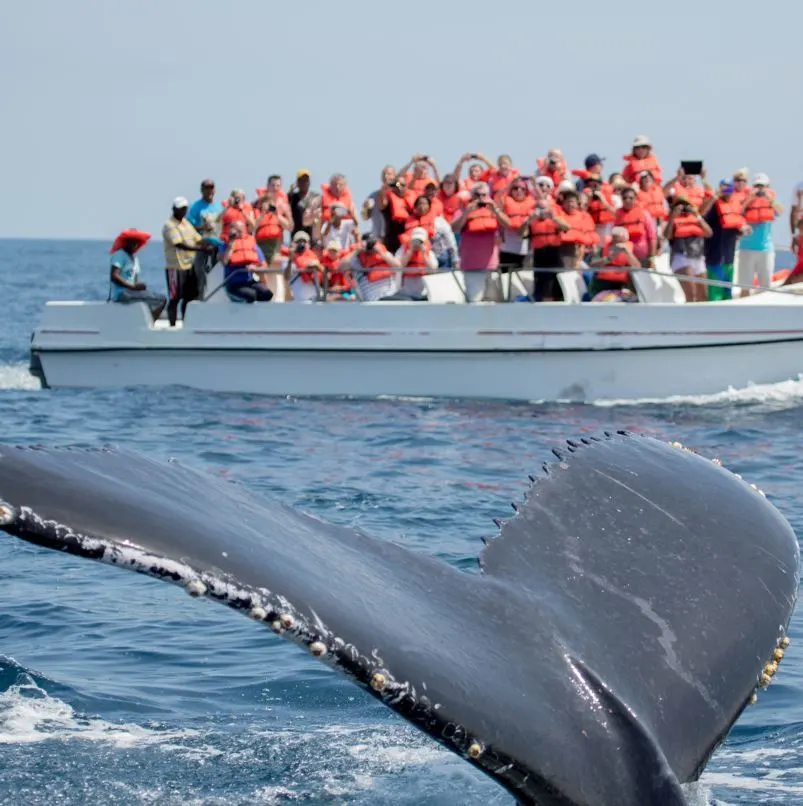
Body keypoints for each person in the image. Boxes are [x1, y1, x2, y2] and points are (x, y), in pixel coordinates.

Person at [452, 182, 510, 301]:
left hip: (491, 266)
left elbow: (508, 225)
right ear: (472, 196)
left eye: (484, 195)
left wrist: (496, 210)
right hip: (471, 267)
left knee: (494, 302)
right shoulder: (462, 211)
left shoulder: (494, 211)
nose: (481, 198)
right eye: (477, 195)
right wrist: (467, 212)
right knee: (475, 301)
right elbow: (454, 228)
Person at [162, 197, 212, 326]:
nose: (184, 211)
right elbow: (179, 244)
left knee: (189, 297)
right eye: (181, 208)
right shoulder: (169, 225)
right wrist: (201, 248)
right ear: (174, 209)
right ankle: (172, 325)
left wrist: (212, 244)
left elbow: (197, 238)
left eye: (185, 208)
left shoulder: (186, 223)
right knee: (174, 298)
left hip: (189, 266)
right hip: (175, 267)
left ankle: (186, 323)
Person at [737, 173, 784, 294]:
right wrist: (750, 199)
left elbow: (780, 211)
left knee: (766, 286)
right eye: (757, 186)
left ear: (768, 187)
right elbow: (737, 213)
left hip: (766, 249)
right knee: (745, 286)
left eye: (762, 186)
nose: (760, 189)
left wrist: (769, 198)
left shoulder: (771, 201)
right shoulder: (746, 200)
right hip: (747, 249)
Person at [703, 181, 749, 301]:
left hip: (729, 257)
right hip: (715, 257)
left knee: (728, 291)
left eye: (730, 190)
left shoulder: (734, 207)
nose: (727, 193)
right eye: (725, 190)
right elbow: (703, 220)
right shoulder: (714, 207)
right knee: (716, 291)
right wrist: (713, 198)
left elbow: (736, 228)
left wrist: (743, 230)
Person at [108, 228, 166, 321]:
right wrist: (133, 286)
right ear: (126, 242)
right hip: (122, 294)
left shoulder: (134, 259)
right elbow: (114, 276)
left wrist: (140, 286)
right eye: (133, 241)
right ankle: (149, 323)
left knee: (159, 298)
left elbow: (134, 280)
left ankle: (146, 321)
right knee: (160, 301)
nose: (135, 244)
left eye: (137, 242)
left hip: (131, 292)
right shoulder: (120, 255)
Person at [665, 198, 713, 302]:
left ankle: (702, 318)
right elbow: (667, 235)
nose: (683, 208)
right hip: (682, 258)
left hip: (698, 258)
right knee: (691, 294)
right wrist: (673, 216)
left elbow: (709, 233)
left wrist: (697, 215)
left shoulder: (696, 219)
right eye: (680, 206)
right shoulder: (672, 221)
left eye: (686, 205)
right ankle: (689, 317)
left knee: (703, 296)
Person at [220, 221, 274, 303]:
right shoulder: (224, 246)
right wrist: (231, 244)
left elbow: (264, 265)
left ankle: (259, 314)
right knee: (251, 295)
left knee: (267, 294)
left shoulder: (252, 245)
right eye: (236, 230)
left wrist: (255, 268)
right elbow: (225, 262)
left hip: (249, 282)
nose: (239, 233)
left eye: (241, 230)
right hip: (233, 284)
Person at [587, 226, 641, 298]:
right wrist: (608, 258)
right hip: (601, 287)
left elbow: (637, 267)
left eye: (620, 242)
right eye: (615, 241)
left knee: (631, 298)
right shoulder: (603, 248)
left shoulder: (630, 250)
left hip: (621, 287)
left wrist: (627, 252)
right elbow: (592, 264)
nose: (617, 244)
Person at [350, 233, 402, 301]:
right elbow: (341, 266)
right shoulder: (356, 259)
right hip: (373, 299)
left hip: (390, 294)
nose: (370, 246)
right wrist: (356, 251)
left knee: (407, 301)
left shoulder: (384, 253)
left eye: (372, 242)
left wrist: (381, 254)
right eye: (368, 243)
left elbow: (398, 266)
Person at [396, 227, 438, 297]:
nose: (417, 243)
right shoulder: (403, 250)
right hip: (406, 291)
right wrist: (410, 252)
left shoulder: (428, 252)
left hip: (423, 291)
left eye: (420, 241)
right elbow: (398, 266)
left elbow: (433, 270)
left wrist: (424, 255)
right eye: (415, 240)